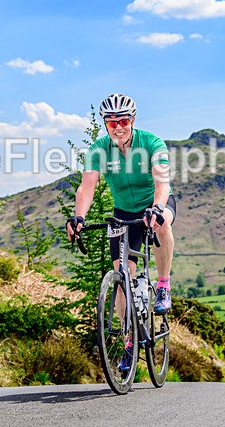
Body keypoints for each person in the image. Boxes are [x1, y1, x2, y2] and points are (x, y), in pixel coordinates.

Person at [66, 93, 176, 370]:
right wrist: (79, 216)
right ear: (105, 124)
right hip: (123, 212)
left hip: (155, 203)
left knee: (162, 221)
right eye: (111, 121)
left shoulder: (151, 143)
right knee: (122, 274)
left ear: (133, 120)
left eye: (123, 120)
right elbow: (87, 187)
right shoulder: (99, 149)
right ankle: (129, 340)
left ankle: (163, 286)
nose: (118, 126)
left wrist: (157, 207)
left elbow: (162, 182)